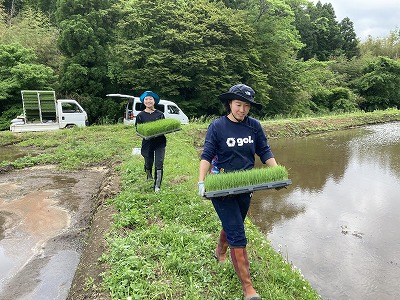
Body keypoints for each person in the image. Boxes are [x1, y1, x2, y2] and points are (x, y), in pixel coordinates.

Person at [198, 84, 278, 300]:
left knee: (234, 224)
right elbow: (207, 154)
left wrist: (276, 172)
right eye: (238, 104)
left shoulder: (254, 126)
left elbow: (264, 150)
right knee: (238, 234)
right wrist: (201, 181)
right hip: (222, 187)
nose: (242, 110)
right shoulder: (217, 126)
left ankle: (220, 251)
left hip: (246, 186)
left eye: (246, 106)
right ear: (230, 104)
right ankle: (248, 289)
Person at [135, 91, 166, 192]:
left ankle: (157, 186)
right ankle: (148, 174)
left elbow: (165, 127)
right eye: (146, 99)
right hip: (147, 143)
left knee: (159, 163)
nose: (148, 101)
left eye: (150, 99)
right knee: (148, 162)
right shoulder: (140, 116)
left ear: (154, 101)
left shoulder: (160, 114)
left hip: (160, 142)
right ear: (143, 101)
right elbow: (138, 129)